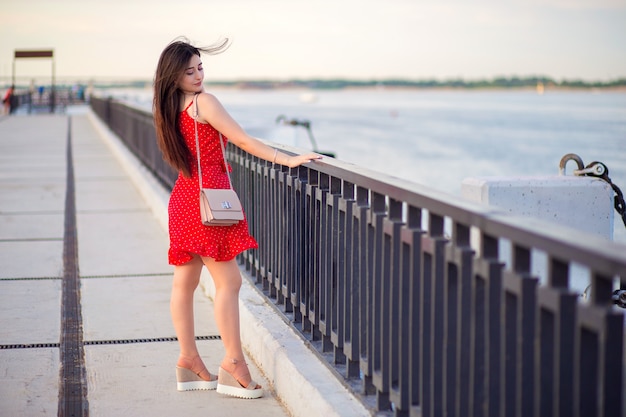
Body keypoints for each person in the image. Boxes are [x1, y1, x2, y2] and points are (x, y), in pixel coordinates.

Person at [152, 38, 321, 399]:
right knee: (228, 283)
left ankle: (188, 361)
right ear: (174, 75)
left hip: (184, 199)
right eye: (189, 70)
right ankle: (232, 364)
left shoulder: (169, 107)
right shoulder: (204, 103)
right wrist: (286, 159)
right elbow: (242, 140)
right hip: (210, 205)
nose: (198, 75)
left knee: (184, 284)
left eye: (200, 67)